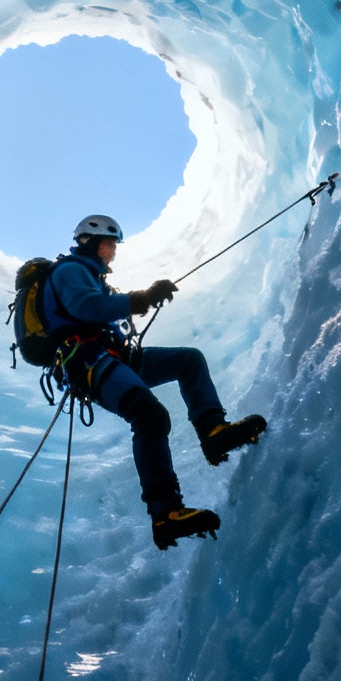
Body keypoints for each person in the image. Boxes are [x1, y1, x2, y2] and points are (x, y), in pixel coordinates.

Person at [42, 214, 267, 548]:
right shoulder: (70, 271)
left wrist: (139, 301)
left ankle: (214, 432)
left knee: (188, 360)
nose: (112, 251)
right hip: (86, 359)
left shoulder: (93, 276)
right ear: (89, 242)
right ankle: (165, 514)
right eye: (108, 243)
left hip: (113, 356)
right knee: (149, 416)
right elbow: (89, 307)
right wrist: (142, 298)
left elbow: (99, 309)